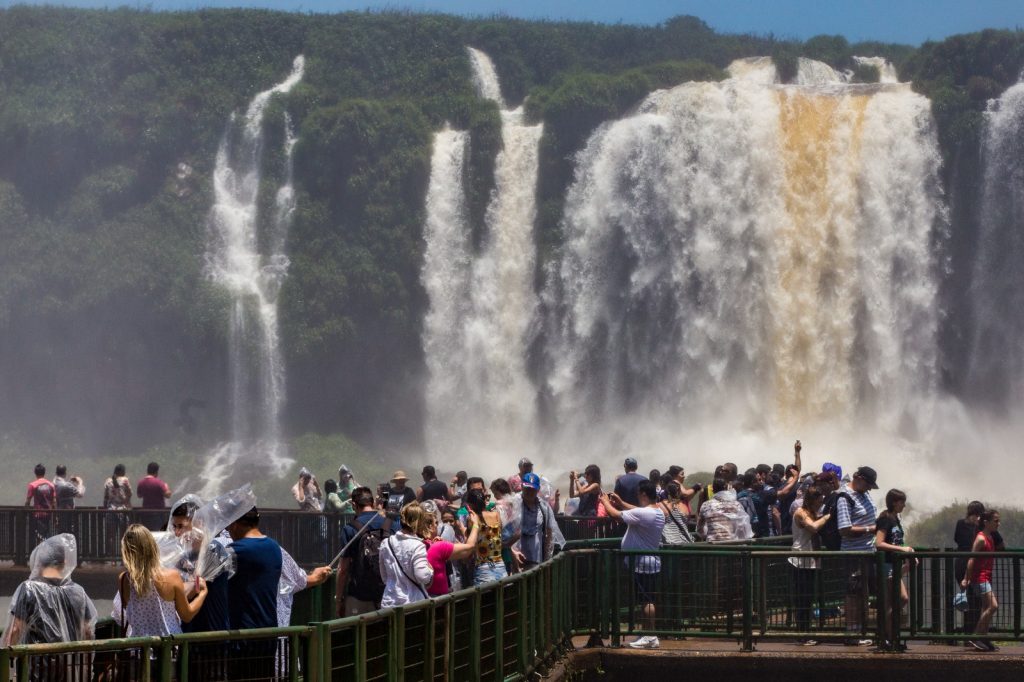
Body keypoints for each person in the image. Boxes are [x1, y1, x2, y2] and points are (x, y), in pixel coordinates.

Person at [2, 534, 97, 681]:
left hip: (38, 672)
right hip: (69, 672)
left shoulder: (28, 589)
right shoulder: (79, 592)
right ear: (65, 561)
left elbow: (14, 630)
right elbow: (88, 632)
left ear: (39, 561)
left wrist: (6, 659)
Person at [599, 480, 665, 649]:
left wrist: (605, 502)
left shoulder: (646, 514)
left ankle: (650, 636)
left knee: (646, 601)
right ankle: (647, 635)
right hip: (648, 562)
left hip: (642, 563)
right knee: (646, 600)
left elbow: (616, 516)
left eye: (638, 494)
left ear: (643, 494)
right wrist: (621, 503)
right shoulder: (656, 511)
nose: (637, 497)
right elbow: (637, 511)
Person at [114, 524, 209, 638]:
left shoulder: (123, 579)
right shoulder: (171, 576)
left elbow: (133, 610)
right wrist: (203, 593)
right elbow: (186, 615)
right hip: (166, 648)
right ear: (152, 546)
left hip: (138, 648)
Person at [226, 506, 283, 677]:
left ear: (235, 524)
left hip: (242, 635)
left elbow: (206, 576)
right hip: (268, 632)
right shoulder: (274, 547)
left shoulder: (235, 551)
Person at [837, 465, 878, 647]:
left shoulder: (864, 494)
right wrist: (871, 529)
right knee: (853, 593)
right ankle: (852, 632)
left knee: (863, 592)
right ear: (859, 478)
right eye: (868, 484)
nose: (870, 488)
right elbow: (844, 529)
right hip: (854, 553)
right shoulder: (844, 497)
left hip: (868, 552)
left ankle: (861, 629)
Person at [337, 487, 393, 617]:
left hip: (358, 595)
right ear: (373, 503)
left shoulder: (349, 529)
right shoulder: (391, 524)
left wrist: (339, 600)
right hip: (386, 595)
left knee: (356, 634)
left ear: (353, 505)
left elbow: (343, 569)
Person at [953, 500, 1003, 643]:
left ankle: (976, 636)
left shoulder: (962, 524)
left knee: (976, 604)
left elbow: (956, 539)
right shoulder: (983, 535)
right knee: (983, 604)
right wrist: (966, 578)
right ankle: (976, 636)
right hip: (976, 571)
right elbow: (1001, 546)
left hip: (962, 565)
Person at [789, 485, 830, 646]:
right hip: (800, 561)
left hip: (811, 561)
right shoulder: (800, 513)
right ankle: (802, 635)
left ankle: (807, 632)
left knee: (808, 599)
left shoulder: (814, 513)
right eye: (819, 501)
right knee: (802, 600)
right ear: (812, 500)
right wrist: (827, 517)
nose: (820, 504)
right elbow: (813, 527)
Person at [875, 488, 914, 650]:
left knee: (894, 602)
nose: (904, 505)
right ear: (894, 502)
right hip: (887, 565)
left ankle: (890, 636)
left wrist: (908, 553)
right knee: (900, 599)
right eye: (902, 502)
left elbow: (897, 542)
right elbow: (879, 543)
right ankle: (887, 636)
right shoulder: (885, 519)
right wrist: (902, 550)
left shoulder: (895, 519)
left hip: (894, 564)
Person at [378, 502, 433, 606]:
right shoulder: (418, 546)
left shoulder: (386, 543)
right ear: (419, 522)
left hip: (389, 602)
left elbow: (384, 576)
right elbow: (423, 577)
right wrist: (430, 570)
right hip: (412, 605)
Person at [420, 504, 480, 596]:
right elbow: (469, 547)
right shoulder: (438, 546)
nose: (439, 526)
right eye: (436, 523)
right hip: (437, 601)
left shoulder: (419, 544)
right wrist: (476, 525)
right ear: (430, 527)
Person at [514, 473, 556, 570]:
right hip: (516, 560)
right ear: (521, 487)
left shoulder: (544, 507)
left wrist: (547, 559)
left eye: (532, 489)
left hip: (536, 560)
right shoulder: (513, 503)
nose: (529, 492)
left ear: (538, 489)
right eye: (527, 488)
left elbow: (549, 533)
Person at [466, 488, 508, 585]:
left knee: (485, 600)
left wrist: (461, 529)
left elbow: (470, 543)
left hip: (483, 570)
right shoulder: (496, 515)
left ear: (470, 505)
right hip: (501, 567)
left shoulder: (473, 519)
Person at [696, 478, 753, 542]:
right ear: (726, 489)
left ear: (713, 490)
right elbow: (743, 526)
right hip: (732, 544)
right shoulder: (736, 504)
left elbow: (699, 529)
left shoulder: (706, 505)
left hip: (712, 546)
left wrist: (710, 534)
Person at [25, 464, 55, 542]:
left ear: (35, 473)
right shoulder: (51, 485)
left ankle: (39, 550)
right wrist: (55, 514)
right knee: (46, 533)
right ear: (44, 472)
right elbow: (54, 501)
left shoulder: (32, 485)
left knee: (38, 535)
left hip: (37, 514)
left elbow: (28, 500)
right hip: (48, 514)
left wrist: (26, 511)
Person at [659, 481, 694, 545]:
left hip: (669, 543)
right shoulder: (685, 507)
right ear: (679, 492)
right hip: (684, 543)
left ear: (667, 492)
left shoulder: (661, 505)